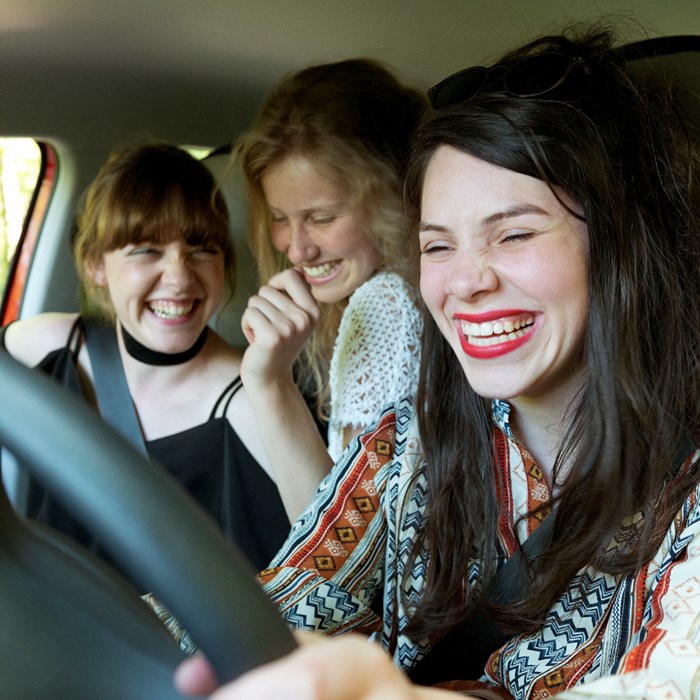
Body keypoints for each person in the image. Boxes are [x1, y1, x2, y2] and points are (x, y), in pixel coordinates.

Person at [175, 26, 700, 698]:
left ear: (621, 247)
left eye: (513, 233)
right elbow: (297, 590)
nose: (466, 282)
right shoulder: (405, 446)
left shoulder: (683, 485)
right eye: (438, 246)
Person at [0, 142, 291, 580]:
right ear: (97, 265)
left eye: (202, 249)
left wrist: (273, 385)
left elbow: (337, 542)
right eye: (146, 250)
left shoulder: (247, 397)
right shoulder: (56, 344)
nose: (178, 277)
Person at [236, 58, 426, 519]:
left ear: (392, 199)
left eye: (322, 218)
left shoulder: (386, 304)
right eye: (280, 219)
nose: (297, 249)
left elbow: (342, 542)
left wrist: (267, 381)